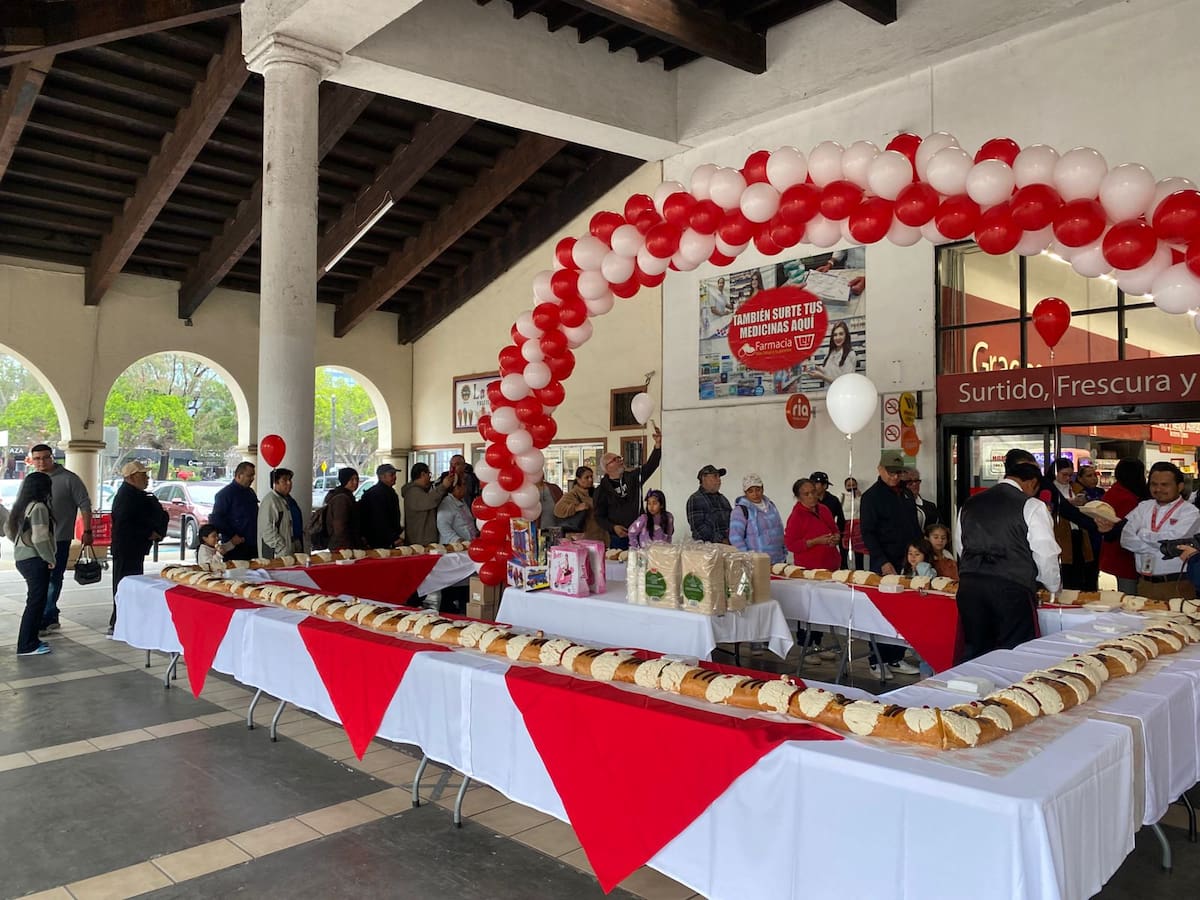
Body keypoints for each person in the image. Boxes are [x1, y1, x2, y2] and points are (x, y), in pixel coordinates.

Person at [955, 451, 1061, 662]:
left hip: (970, 586)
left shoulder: (970, 503)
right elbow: (1045, 552)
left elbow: (960, 545)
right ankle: (1011, 694)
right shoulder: (1032, 505)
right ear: (1031, 483)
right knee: (1015, 654)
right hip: (1011, 588)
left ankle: (976, 693)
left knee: (976, 651)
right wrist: (1053, 587)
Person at [860, 451, 922, 676]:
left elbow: (914, 528)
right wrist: (882, 561)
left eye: (898, 473)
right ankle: (877, 660)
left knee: (903, 611)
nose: (895, 477)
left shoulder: (905, 495)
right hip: (884, 562)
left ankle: (896, 657)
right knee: (881, 612)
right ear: (880, 469)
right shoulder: (871, 497)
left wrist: (920, 556)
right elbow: (868, 533)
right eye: (890, 472)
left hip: (908, 560)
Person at [28, 443, 93, 633]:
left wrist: (87, 531)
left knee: (53, 579)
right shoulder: (32, 480)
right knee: (38, 580)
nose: (41, 462)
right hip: (34, 540)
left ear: (52, 457)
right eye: (37, 458)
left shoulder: (69, 479)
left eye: (45, 457)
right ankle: (49, 613)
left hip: (59, 540)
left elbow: (85, 505)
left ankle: (47, 617)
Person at [1119, 461, 1200, 602]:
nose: (1158, 489)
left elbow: (1175, 542)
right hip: (1144, 584)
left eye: (1165, 485)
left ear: (1180, 487)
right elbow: (1126, 539)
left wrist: (1142, 533)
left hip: (1177, 585)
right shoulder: (1143, 507)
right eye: (1154, 484)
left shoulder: (1191, 512)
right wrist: (1156, 548)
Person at [109, 461, 168, 633]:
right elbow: (125, 524)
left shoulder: (136, 495)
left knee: (131, 583)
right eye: (143, 475)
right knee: (124, 584)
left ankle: (127, 619)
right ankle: (119, 621)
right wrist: (148, 532)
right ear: (133, 477)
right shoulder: (127, 496)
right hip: (127, 547)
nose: (147, 478)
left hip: (134, 548)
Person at [6, 471, 56, 656]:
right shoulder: (39, 508)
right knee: (36, 603)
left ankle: (31, 640)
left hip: (23, 558)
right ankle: (26, 645)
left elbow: (8, 529)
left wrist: (22, 545)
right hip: (35, 560)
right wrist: (49, 558)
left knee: (35, 601)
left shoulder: (22, 506)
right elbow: (41, 538)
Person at [594, 425, 662, 550]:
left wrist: (657, 445)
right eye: (615, 459)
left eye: (619, 457)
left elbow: (651, 465)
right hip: (619, 536)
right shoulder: (602, 490)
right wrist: (613, 527)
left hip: (640, 533)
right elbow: (599, 516)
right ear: (607, 467)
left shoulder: (633, 477)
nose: (620, 460)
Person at [1038, 457, 1098, 591]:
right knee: (1065, 570)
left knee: (1081, 570)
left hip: (1079, 534)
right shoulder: (1049, 489)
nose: (1068, 478)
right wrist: (1069, 504)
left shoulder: (1077, 488)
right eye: (1064, 475)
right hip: (1060, 534)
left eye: (1070, 475)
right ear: (1055, 473)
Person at [1095, 459, 1150, 595]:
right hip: (1125, 556)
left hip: (1110, 554)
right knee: (1129, 598)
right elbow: (1129, 527)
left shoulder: (1113, 492)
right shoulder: (1129, 498)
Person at [784, 478, 841, 570]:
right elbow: (791, 545)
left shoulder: (824, 509)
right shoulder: (796, 517)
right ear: (798, 497)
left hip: (832, 565)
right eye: (806, 494)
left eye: (813, 492)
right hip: (810, 569)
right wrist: (815, 541)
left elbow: (834, 529)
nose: (812, 496)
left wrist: (836, 538)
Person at [729, 473, 786, 563]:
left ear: (763, 488)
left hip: (778, 559)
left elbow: (779, 528)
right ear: (745, 492)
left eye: (758, 489)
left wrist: (784, 551)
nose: (755, 494)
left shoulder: (771, 505)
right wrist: (748, 558)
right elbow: (735, 538)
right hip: (757, 562)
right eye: (750, 491)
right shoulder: (740, 511)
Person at [210, 461, 258, 561]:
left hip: (253, 544)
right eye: (249, 476)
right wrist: (232, 535)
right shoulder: (225, 495)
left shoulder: (251, 493)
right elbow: (216, 519)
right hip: (234, 546)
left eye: (253, 475)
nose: (252, 479)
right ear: (239, 476)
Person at [401, 462, 454, 545]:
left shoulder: (420, 490)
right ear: (422, 474)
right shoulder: (413, 492)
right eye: (429, 474)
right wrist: (443, 486)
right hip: (420, 540)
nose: (430, 477)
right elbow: (429, 501)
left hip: (423, 539)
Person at [553, 466, 608, 545]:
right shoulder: (573, 494)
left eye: (591, 477)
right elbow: (557, 510)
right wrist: (576, 508)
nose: (590, 480)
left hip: (601, 536)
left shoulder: (596, 493)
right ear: (578, 479)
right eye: (586, 477)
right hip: (585, 539)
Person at [258, 468, 303, 558]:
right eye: (285, 480)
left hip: (294, 547)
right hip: (278, 553)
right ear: (275, 483)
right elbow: (267, 530)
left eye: (290, 480)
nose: (289, 483)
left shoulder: (289, 500)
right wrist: (282, 548)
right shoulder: (270, 501)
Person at [361, 463, 403, 549]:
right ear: (382, 477)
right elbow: (379, 519)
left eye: (395, 474)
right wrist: (393, 537)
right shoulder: (377, 494)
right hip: (380, 540)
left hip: (386, 538)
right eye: (392, 475)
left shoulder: (389, 492)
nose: (395, 477)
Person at [686, 464, 732, 543]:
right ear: (704, 478)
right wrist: (721, 540)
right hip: (707, 550)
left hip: (728, 546)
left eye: (719, 477)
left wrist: (734, 538)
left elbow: (733, 521)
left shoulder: (723, 499)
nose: (719, 480)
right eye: (715, 476)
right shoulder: (695, 499)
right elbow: (698, 528)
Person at [324, 467, 366, 551]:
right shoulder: (341, 499)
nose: (355, 482)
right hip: (343, 547)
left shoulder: (347, 496)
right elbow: (339, 527)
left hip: (346, 544)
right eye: (351, 480)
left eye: (357, 479)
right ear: (344, 480)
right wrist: (347, 548)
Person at [437, 477, 479, 543]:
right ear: (457, 488)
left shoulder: (462, 501)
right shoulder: (446, 503)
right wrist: (457, 540)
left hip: (468, 543)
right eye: (464, 484)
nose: (466, 488)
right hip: (455, 546)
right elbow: (443, 526)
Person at [841, 475, 865, 569]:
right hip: (845, 527)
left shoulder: (861, 497)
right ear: (845, 486)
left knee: (859, 552)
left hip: (858, 528)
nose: (851, 487)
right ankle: (843, 572)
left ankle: (860, 572)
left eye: (853, 485)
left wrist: (860, 497)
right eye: (849, 485)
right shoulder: (841, 496)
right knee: (844, 552)